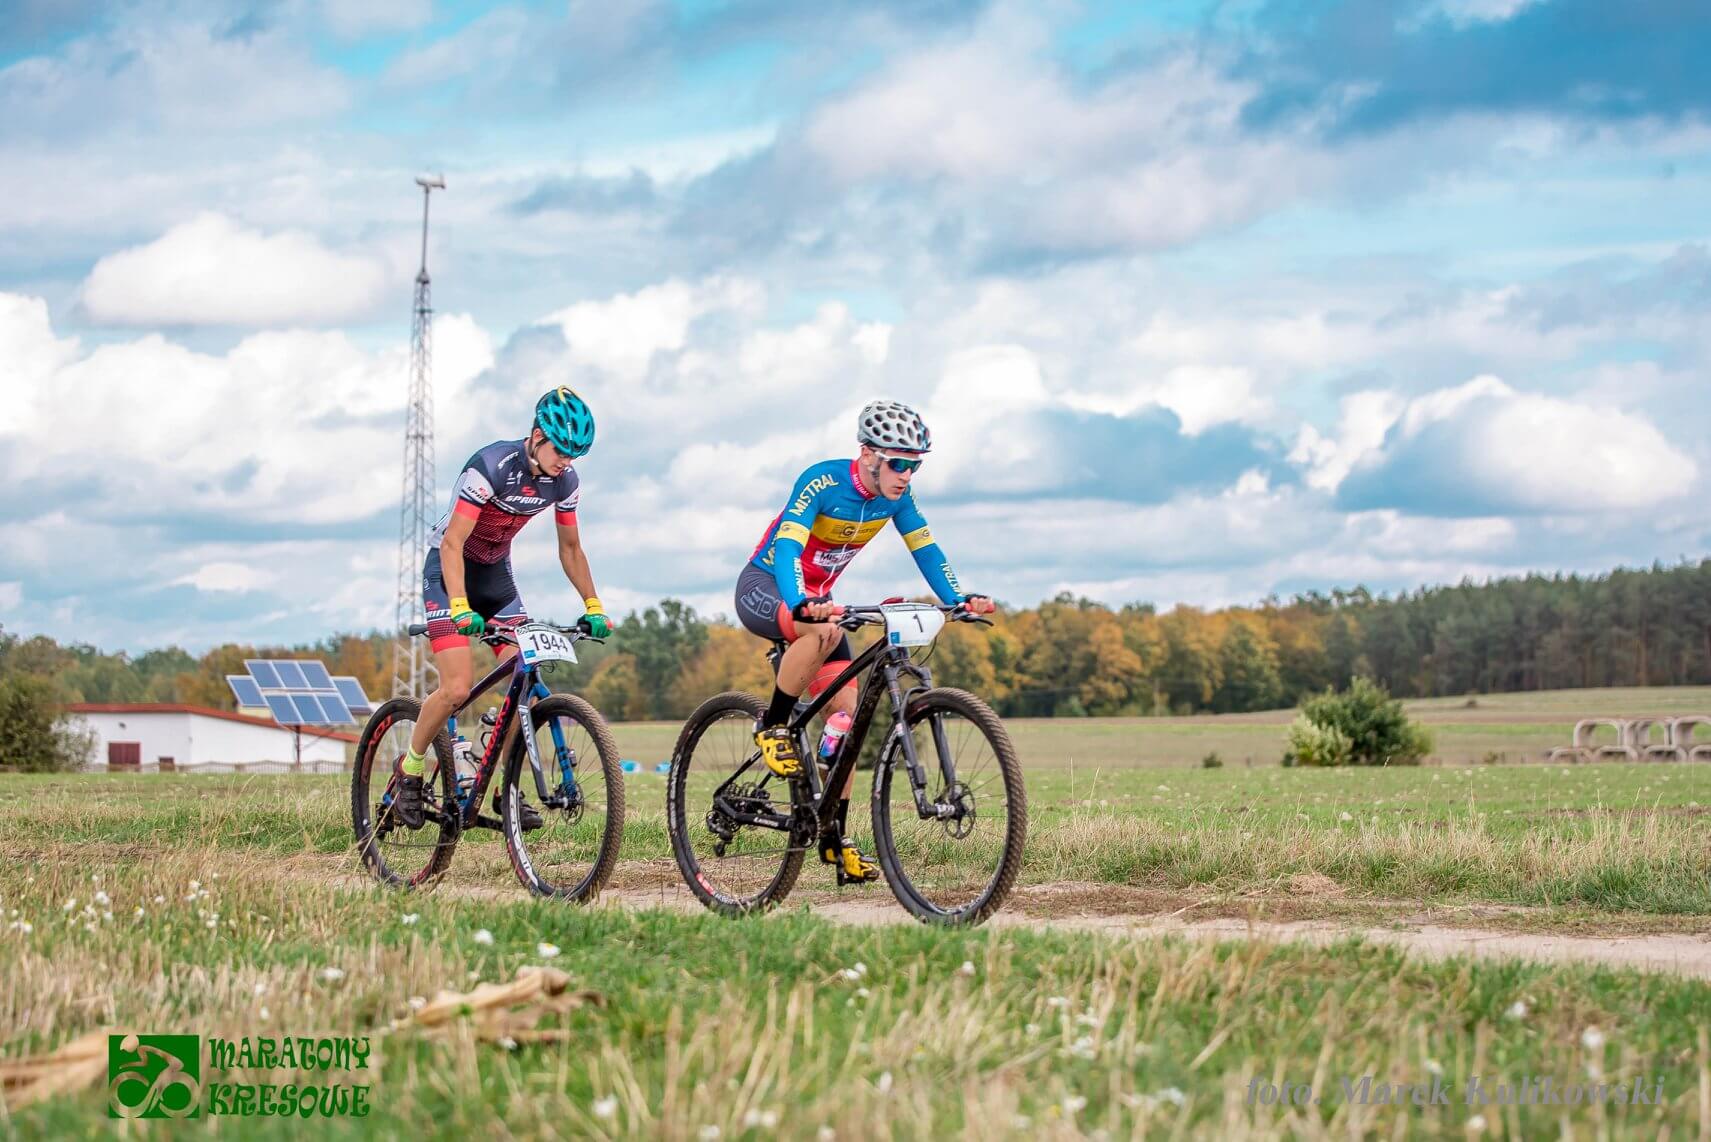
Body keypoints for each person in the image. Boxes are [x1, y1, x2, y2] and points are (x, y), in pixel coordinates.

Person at [735, 399, 996, 883]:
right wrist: (799, 602)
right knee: (825, 629)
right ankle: (772, 726)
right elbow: (790, 545)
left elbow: (926, 548)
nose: (905, 475)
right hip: (769, 586)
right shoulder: (824, 481)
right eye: (897, 463)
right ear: (868, 454)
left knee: (845, 720)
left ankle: (834, 838)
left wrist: (958, 599)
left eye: (914, 466)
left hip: (820, 602)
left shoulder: (897, 498)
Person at [394, 386, 611, 830]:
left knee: (523, 677)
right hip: (448, 572)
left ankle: (499, 790)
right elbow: (453, 543)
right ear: (536, 435)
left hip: (495, 578)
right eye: (561, 450)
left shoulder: (565, 482)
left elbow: (571, 549)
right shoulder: (491, 466)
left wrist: (593, 605)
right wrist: (458, 605)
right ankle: (409, 772)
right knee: (456, 689)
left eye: (575, 454)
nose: (566, 461)